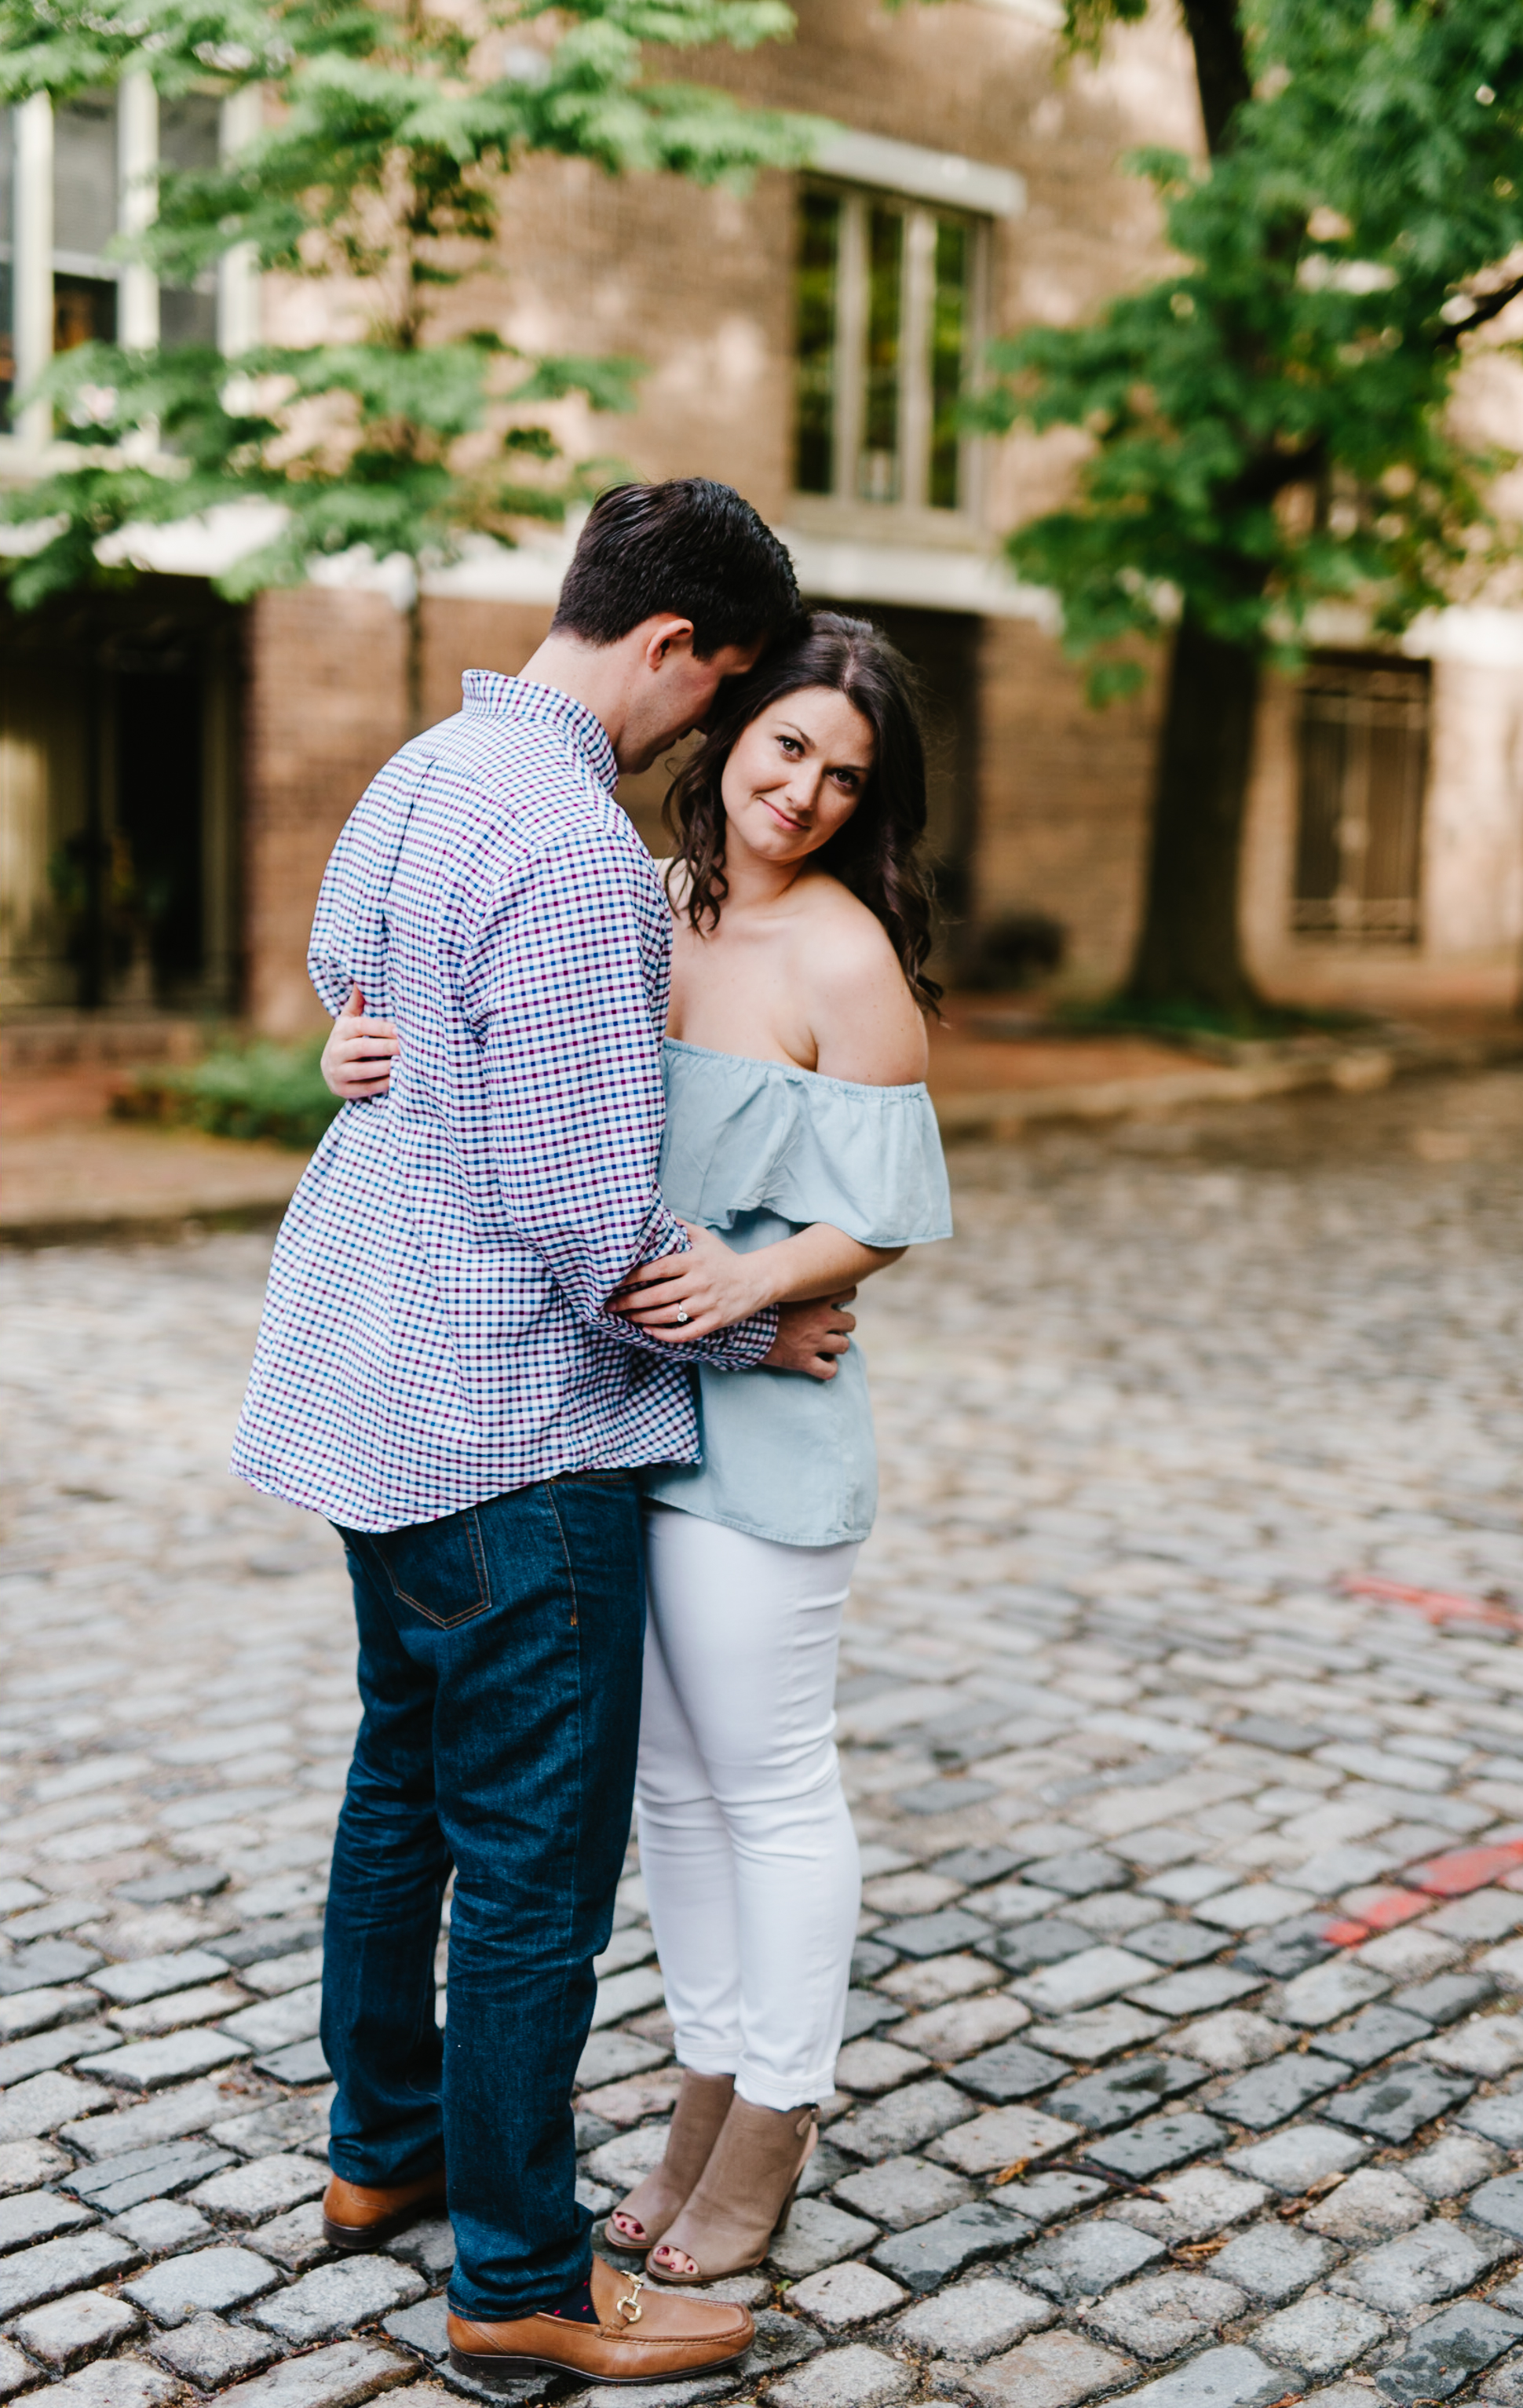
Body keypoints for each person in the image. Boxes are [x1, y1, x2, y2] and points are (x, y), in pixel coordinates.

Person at [231, 480, 849, 2390]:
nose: (702, 726)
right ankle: (516, 2270)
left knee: (395, 1790)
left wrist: (368, 1033)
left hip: (363, 1383)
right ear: (676, 649)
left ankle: (380, 2154)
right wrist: (755, 1324)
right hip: (510, 1430)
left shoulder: (425, 767)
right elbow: (589, 1212)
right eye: (721, 689)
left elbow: (346, 968)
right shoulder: (578, 851)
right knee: (527, 1870)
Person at [323, 609, 952, 2287]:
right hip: (612, 1413)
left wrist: (761, 1278)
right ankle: (695, 2104)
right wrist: (349, 1046)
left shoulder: (843, 955)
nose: (807, 790)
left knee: (770, 1784)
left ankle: (773, 2127)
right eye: (786, 747)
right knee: (665, 1798)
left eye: (845, 773)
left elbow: (890, 1208)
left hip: (759, 1424)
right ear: (725, 729)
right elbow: (487, 1081)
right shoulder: (631, 906)